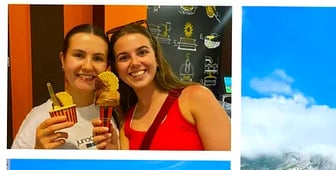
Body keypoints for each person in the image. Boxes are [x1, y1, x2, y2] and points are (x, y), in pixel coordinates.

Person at [94, 20, 230, 150]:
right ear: (117, 69)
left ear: (157, 58)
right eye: (124, 57)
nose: (134, 63)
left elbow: (228, 165)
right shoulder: (126, 123)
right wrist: (112, 152)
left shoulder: (196, 97)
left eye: (142, 52)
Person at [12, 24, 119, 149]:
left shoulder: (113, 113)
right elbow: (12, 168)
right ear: (63, 60)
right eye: (79, 55)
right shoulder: (39, 118)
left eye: (97, 58)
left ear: (107, 67)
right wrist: (38, 153)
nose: (88, 66)